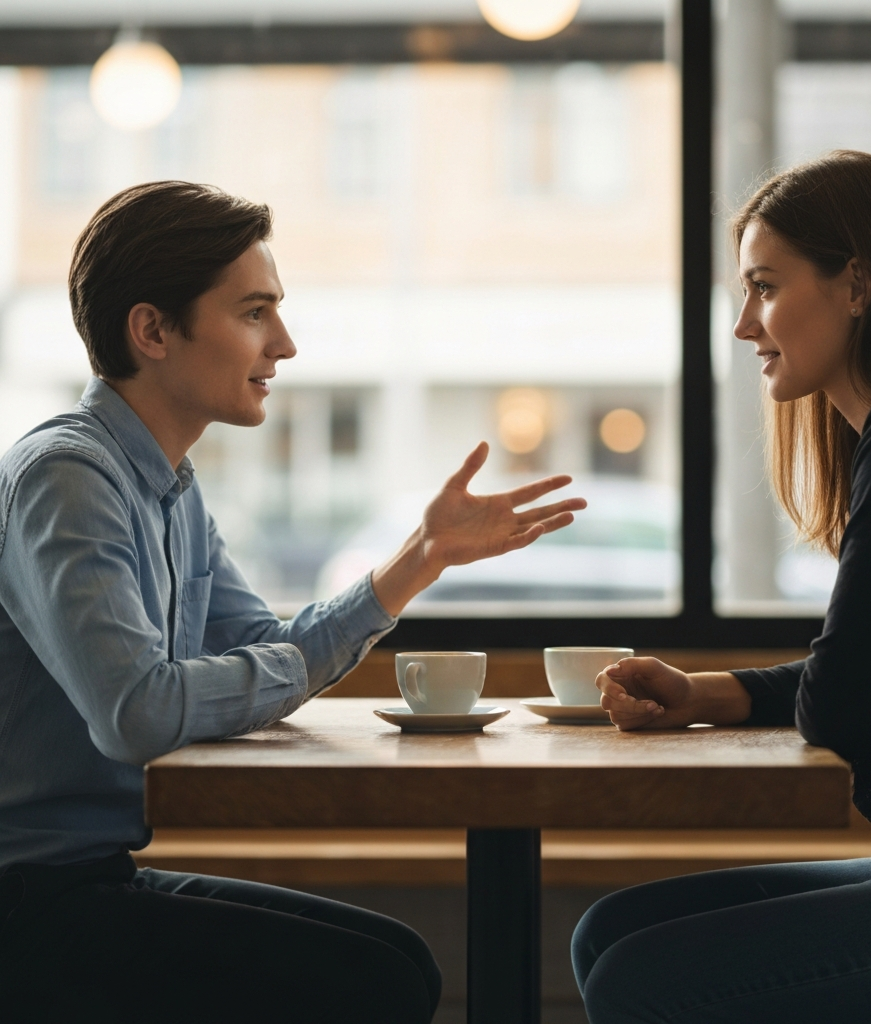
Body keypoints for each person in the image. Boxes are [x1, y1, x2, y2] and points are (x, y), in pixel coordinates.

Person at [0, 181, 585, 1023]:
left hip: (88, 877)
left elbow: (264, 643)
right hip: (28, 902)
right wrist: (285, 662)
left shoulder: (170, 488)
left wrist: (418, 562)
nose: (285, 344)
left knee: (402, 963)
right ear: (152, 330)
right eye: (254, 313)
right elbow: (135, 712)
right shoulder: (69, 477)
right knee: (372, 982)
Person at [572, 151, 871, 1023]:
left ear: (857, 284)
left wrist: (823, 694)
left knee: (638, 980)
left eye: (764, 287)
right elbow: (864, 670)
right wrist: (703, 691)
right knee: (608, 933)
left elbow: (845, 689)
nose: (744, 325)